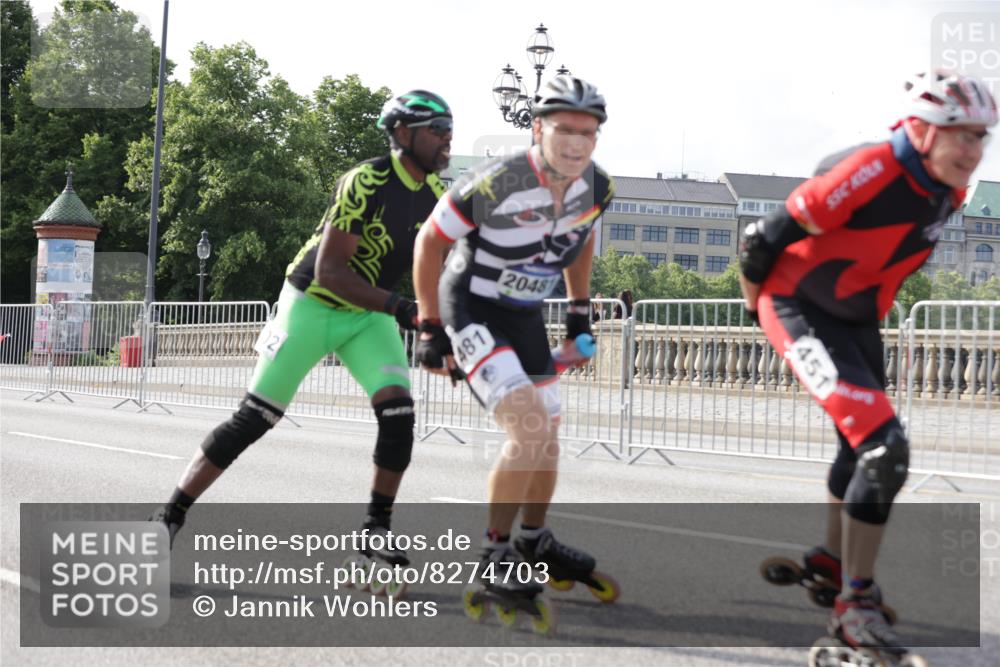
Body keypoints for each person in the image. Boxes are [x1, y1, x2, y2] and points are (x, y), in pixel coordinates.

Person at [740, 70, 996, 654]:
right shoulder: (871, 169)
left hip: (856, 321)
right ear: (922, 130)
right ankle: (853, 606)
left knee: (858, 451)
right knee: (885, 451)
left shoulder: (950, 190)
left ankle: (834, 562)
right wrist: (762, 313)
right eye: (962, 135)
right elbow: (761, 240)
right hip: (798, 307)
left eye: (982, 137)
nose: (974, 150)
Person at [150, 91, 454, 565]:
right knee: (255, 418)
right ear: (402, 133)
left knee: (398, 415)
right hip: (313, 302)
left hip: (368, 315)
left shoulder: (437, 197)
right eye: (437, 129)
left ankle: (376, 529)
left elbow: (438, 270)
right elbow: (332, 272)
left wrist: (440, 328)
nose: (447, 139)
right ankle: (169, 515)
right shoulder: (366, 181)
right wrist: (406, 310)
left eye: (449, 129)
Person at [412, 75, 619, 604]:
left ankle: (532, 539)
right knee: (527, 428)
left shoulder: (597, 187)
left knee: (548, 436)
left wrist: (579, 314)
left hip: (525, 314)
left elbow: (581, 243)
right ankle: (493, 553)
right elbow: (429, 241)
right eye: (564, 129)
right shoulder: (497, 181)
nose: (576, 143)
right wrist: (430, 328)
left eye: (588, 133)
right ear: (537, 129)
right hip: (473, 306)